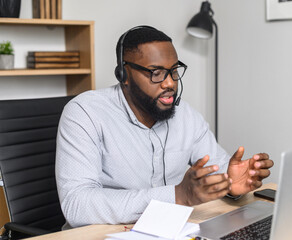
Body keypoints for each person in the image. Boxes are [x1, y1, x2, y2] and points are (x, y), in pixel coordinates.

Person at [55, 26, 274, 229]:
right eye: (156, 72)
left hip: (172, 230)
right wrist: (178, 195)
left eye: (174, 71)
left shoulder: (185, 115)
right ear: (124, 74)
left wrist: (230, 184)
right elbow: (77, 204)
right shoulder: (85, 113)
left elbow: (218, 167)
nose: (170, 83)